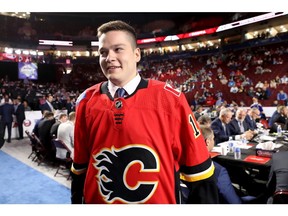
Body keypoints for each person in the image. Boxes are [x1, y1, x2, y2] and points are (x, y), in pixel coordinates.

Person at [70, 20, 218, 204]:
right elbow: (80, 169)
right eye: (103, 52)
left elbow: (199, 172)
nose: (109, 57)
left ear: (136, 54)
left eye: (118, 49)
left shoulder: (170, 99)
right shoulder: (85, 101)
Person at [182, 125, 257, 204]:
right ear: (207, 142)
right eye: (213, 138)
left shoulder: (177, 167)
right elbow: (233, 202)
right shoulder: (218, 171)